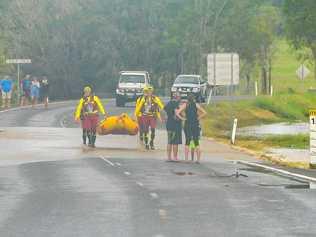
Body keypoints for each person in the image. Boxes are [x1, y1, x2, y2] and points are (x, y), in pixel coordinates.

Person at [176, 93, 207, 163]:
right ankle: (198, 159)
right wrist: (198, 117)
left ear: (187, 99)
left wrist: (183, 118)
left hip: (187, 124)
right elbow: (205, 112)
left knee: (187, 141)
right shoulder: (196, 105)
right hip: (195, 124)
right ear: (193, 98)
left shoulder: (185, 105)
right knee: (196, 142)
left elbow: (177, 113)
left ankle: (186, 159)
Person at [134, 85, 164, 150]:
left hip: (152, 116)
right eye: (147, 91)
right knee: (145, 130)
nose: (148, 93)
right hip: (144, 116)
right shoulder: (142, 99)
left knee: (153, 129)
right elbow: (138, 108)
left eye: (150, 91)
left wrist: (160, 116)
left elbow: (160, 106)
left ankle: (152, 142)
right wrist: (136, 116)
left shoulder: (155, 98)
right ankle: (147, 143)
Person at [164, 92, 182, 161]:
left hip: (169, 124)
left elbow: (164, 111)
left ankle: (169, 157)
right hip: (175, 124)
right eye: (179, 97)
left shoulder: (168, 103)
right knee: (175, 142)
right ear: (177, 97)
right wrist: (182, 118)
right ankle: (175, 157)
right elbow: (176, 113)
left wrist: (166, 118)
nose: (180, 98)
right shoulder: (176, 104)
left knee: (169, 141)